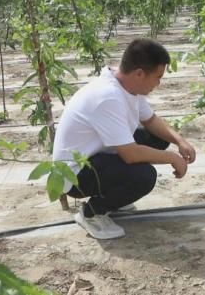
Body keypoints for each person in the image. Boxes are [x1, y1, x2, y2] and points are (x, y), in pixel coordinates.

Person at [52, 38, 196, 239]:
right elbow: (130, 154)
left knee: (157, 138)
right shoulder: (108, 97)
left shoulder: (126, 87)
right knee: (144, 176)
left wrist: (179, 141)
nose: (159, 83)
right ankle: (91, 213)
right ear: (139, 74)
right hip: (76, 175)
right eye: (158, 77)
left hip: (97, 156)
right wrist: (172, 158)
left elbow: (151, 120)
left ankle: (116, 196)